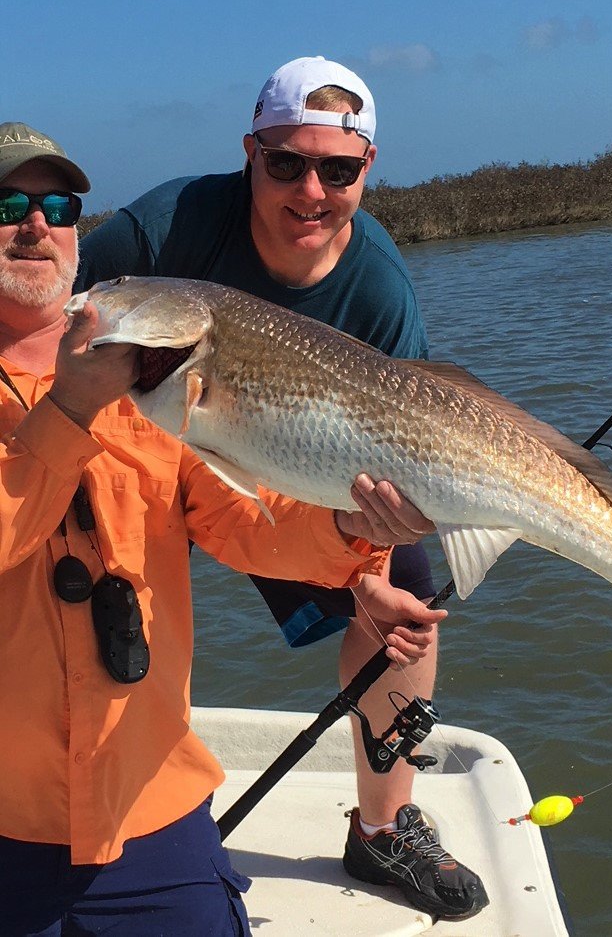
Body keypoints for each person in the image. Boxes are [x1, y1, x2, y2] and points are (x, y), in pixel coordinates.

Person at [0, 122, 448, 936]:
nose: (37, 223)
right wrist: (67, 411)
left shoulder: (146, 371)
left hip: (151, 807)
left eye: (58, 204)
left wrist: (352, 539)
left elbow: (248, 527)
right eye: (7, 204)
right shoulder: (95, 386)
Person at [77, 57, 489, 919]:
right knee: (106, 581)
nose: (311, 189)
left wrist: (369, 565)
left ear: (367, 170)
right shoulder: (158, 230)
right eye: (285, 162)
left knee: (403, 589)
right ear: (248, 154)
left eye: (337, 169)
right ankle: (100, 788)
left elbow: (399, 436)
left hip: (292, 464)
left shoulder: (376, 284)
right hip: (140, 442)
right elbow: (55, 320)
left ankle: (382, 829)